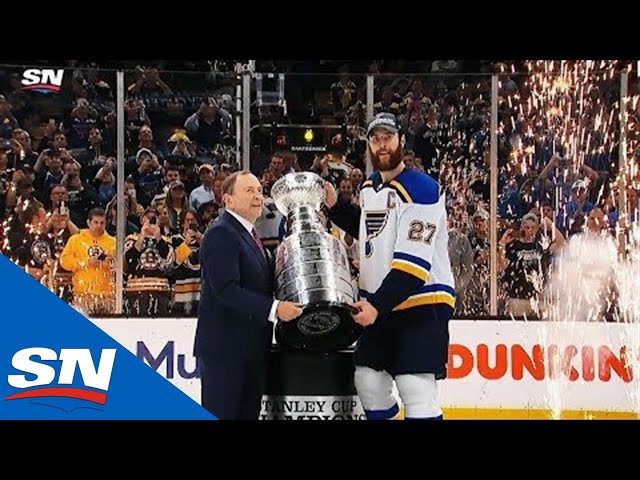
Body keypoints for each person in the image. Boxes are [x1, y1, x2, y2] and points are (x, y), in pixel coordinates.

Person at [326, 112, 456, 420]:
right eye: (375, 139)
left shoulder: (421, 189)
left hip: (422, 303)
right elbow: (370, 230)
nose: (382, 145)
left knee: (415, 386)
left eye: (388, 137)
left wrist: (376, 307)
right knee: (369, 381)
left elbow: (413, 267)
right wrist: (337, 208)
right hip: (382, 305)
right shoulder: (370, 187)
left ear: (401, 141)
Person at [194, 170, 303, 420]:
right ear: (227, 200)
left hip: (251, 350)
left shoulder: (252, 236)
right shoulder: (221, 233)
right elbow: (225, 290)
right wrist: (275, 309)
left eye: (259, 191)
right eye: (249, 190)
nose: (257, 196)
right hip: (227, 352)